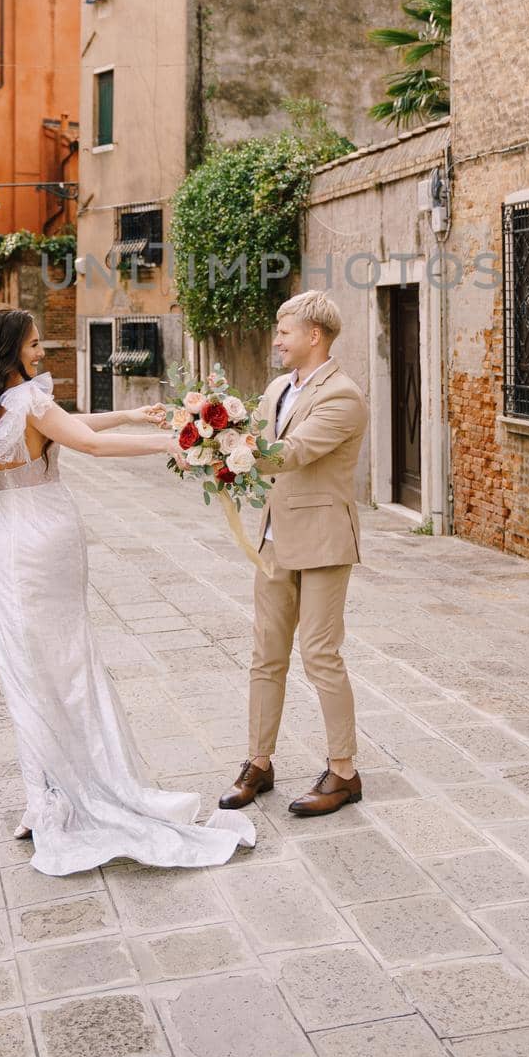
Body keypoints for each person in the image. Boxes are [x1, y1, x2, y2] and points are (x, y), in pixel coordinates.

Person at [0, 306, 254, 874]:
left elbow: (73, 425)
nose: (41, 352)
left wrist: (129, 413)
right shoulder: (29, 400)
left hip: (9, 540)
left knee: (28, 671)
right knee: (67, 666)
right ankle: (65, 794)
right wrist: (172, 444)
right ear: (8, 350)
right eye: (32, 344)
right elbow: (86, 444)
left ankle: (42, 799)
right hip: (47, 538)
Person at [218, 290, 369, 818]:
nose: (276, 340)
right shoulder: (278, 386)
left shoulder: (343, 395)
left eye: (284, 331)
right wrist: (207, 435)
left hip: (324, 541)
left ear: (314, 336)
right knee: (266, 652)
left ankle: (344, 772)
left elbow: (295, 451)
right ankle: (259, 763)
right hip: (275, 539)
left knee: (321, 654)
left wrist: (232, 454)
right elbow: (256, 434)